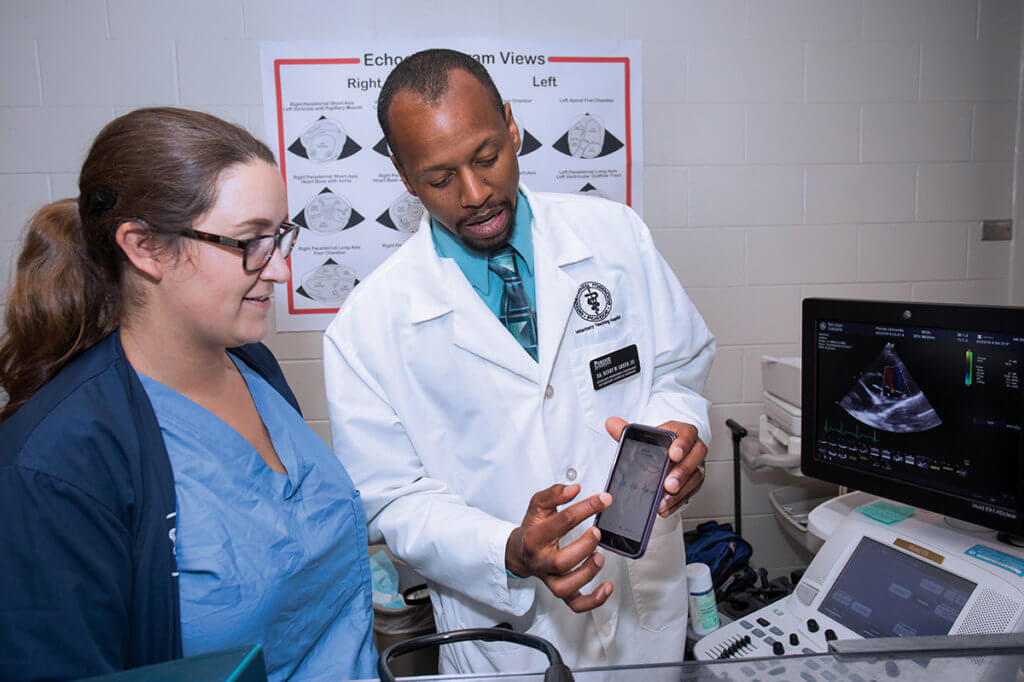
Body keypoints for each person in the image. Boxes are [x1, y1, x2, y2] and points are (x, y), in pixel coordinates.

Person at [323, 49, 715, 674]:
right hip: (503, 638)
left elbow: (679, 366)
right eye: (440, 178)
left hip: (642, 611)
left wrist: (675, 430)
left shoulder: (615, 237)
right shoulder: (367, 326)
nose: (477, 195)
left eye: (487, 157)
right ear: (401, 174)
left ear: (511, 124)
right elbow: (391, 500)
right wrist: (506, 549)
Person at [0, 108, 376, 681]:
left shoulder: (255, 368)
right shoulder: (57, 463)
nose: (278, 269)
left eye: (280, 236)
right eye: (251, 241)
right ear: (144, 247)